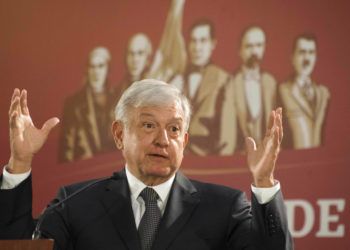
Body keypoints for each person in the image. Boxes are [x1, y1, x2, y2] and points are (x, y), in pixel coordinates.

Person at [0, 80, 293, 249]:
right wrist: (21, 162)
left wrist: (264, 183)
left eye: (174, 129)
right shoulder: (75, 205)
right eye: (149, 125)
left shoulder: (224, 207)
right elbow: (16, 247)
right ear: (118, 134)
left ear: (185, 140)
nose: (163, 140)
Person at [174, 19, 237, 156]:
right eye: (193, 41)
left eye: (203, 41)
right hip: (177, 161)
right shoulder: (177, 79)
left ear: (212, 44)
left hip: (208, 160)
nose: (197, 47)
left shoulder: (223, 79)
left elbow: (227, 137)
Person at [58, 47, 117, 162]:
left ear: (107, 69)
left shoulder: (119, 98)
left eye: (100, 66)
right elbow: (67, 150)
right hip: (85, 171)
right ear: (87, 70)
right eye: (92, 67)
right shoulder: (73, 104)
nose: (96, 72)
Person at [229, 26, 277, 151]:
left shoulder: (271, 83)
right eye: (249, 46)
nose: (254, 51)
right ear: (240, 50)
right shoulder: (231, 84)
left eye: (259, 45)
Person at [279, 34, 330, 149]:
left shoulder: (324, 94)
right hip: (295, 162)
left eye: (311, 52)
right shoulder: (283, 91)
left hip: (319, 160)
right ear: (292, 57)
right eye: (302, 52)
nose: (307, 58)